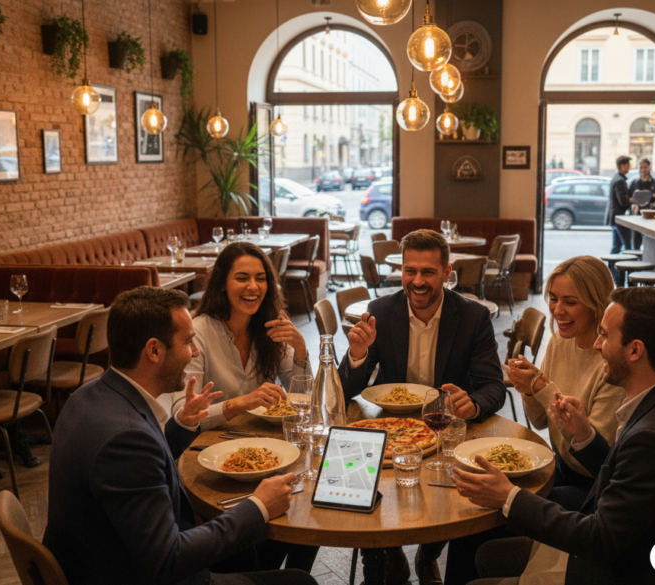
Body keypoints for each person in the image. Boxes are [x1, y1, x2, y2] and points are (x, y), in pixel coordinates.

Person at [44, 286, 315, 585]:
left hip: (105, 556)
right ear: (154, 350)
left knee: (254, 548)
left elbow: (146, 464)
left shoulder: (89, 396)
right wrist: (259, 506)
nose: (195, 352)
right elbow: (169, 559)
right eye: (187, 341)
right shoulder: (125, 441)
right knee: (300, 581)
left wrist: (183, 424)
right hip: (138, 574)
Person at [454, 287, 655, 585]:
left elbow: (599, 540)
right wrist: (585, 435)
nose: (597, 344)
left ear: (635, 350)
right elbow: (622, 473)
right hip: (625, 552)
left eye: (604, 335)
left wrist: (508, 496)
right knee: (485, 555)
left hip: (619, 572)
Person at [339, 228, 507, 585]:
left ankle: (428, 554)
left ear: (447, 273)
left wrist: (473, 404)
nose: (417, 281)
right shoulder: (380, 312)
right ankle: (388, 554)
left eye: (428, 272)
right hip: (389, 427)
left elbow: (494, 387)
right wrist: (357, 354)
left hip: (445, 429)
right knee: (362, 479)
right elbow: (345, 390)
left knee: (450, 498)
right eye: (409, 271)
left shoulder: (472, 317)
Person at [507, 256, 625, 508]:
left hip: (593, 488)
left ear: (597, 305)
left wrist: (542, 388)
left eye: (570, 302)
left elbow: (593, 461)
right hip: (558, 468)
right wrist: (529, 390)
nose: (557, 310)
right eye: (553, 298)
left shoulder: (610, 363)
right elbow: (539, 421)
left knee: (504, 508)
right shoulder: (560, 341)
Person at [160, 242, 311, 430]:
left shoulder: (272, 325)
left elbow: (303, 399)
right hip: (209, 443)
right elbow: (185, 415)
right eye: (242, 278)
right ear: (222, 284)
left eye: (260, 278)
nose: (253, 287)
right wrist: (240, 403)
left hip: (262, 439)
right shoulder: (198, 333)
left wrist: (300, 349)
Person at [604, 155, 633, 284]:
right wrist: (632, 200)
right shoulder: (620, 181)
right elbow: (623, 201)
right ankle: (628, 278)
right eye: (627, 165)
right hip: (619, 218)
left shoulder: (616, 178)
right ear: (622, 166)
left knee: (616, 247)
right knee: (628, 247)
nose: (629, 167)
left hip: (614, 217)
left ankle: (610, 276)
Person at [627, 158, 655, 250]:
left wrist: (654, 204)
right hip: (637, 217)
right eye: (641, 167)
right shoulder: (634, 183)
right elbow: (629, 198)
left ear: (649, 168)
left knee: (651, 245)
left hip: (651, 218)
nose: (643, 169)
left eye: (645, 167)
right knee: (635, 245)